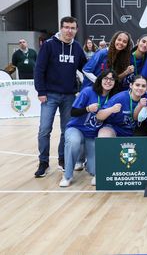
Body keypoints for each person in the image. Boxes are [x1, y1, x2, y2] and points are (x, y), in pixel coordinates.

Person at [34, 16, 87, 177]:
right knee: (44, 130)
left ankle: (63, 160)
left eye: (72, 28)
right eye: (66, 27)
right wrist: (41, 91)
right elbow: (39, 69)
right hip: (49, 95)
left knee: (67, 130)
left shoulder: (77, 48)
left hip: (69, 95)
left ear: (76, 30)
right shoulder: (49, 45)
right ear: (61, 28)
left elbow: (86, 68)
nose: (69, 31)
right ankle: (44, 162)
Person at [59, 70, 117, 187]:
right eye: (106, 78)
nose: (108, 81)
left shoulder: (113, 98)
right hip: (77, 129)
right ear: (100, 79)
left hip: (93, 134)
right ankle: (67, 176)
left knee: (94, 170)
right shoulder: (88, 91)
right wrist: (88, 109)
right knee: (73, 142)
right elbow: (73, 112)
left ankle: (90, 166)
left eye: (112, 79)